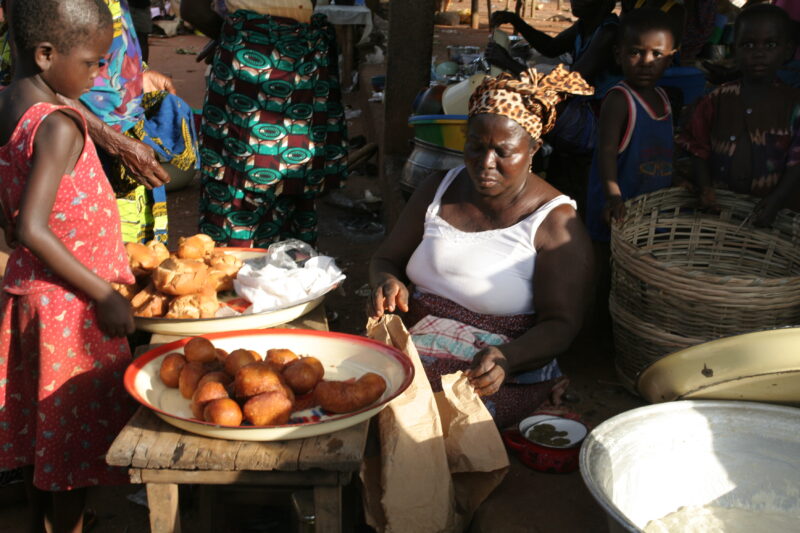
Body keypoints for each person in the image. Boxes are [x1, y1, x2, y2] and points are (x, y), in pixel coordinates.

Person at [368, 67, 595, 428]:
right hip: (414, 341)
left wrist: (508, 357)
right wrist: (387, 281)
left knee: (425, 422)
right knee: (357, 391)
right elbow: (387, 258)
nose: (486, 163)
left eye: (503, 152)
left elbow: (562, 324)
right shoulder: (438, 189)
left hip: (493, 369)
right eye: (476, 146)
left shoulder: (553, 223)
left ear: (534, 148)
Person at [0, 1, 137, 532]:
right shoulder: (57, 125)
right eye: (93, 63)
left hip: (30, 299)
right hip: (69, 311)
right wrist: (104, 294)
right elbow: (32, 228)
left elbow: (12, 220)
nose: (100, 73)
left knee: (42, 444)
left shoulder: (11, 104)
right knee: (71, 453)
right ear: (45, 54)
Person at [0, 0, 199, 245]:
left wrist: (135, 73)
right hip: (87, 138)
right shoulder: (58, 132)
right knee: (92, 243)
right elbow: (32, 74)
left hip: (113, 131)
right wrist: (115, 142)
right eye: (91, 64)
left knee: (130, 255)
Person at [182, 0, 348, 247]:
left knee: (293, 173)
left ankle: (273, 268)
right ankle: (240, 268)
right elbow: (194, 10)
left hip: (287, 64)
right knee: (242, 170)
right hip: (252, 67)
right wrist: (246, 37)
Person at [677, 3, 800, 227]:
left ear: (788, 50)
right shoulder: (716, 99)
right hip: (721, 213)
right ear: (735, 48)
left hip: (776, 215)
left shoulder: (794, 105)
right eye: (748, 44)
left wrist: (777, 199)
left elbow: (797, 163)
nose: (758, 52)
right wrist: (705, 188)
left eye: (770, 44)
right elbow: (696, 146)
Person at [586, 8, 677, 243]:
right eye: (636, 52)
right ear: (619, 55)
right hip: (618, 208)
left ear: (670, 59)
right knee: (610, 259)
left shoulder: (664, 99)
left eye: (657, 54)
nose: (646, 62)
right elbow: (605, 154)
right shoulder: (619, 100)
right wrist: (614, 198)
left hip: (650, 211)